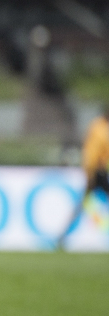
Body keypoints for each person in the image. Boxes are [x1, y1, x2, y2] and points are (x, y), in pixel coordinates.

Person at [59, 105, 109, 248]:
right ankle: (62, 236)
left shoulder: (100, 126)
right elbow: (92, 153)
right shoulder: (99, 128)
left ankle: (62, 236)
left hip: (99, 172)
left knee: (82, 204)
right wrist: (90, 173)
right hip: (97, 172)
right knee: (83, 204)